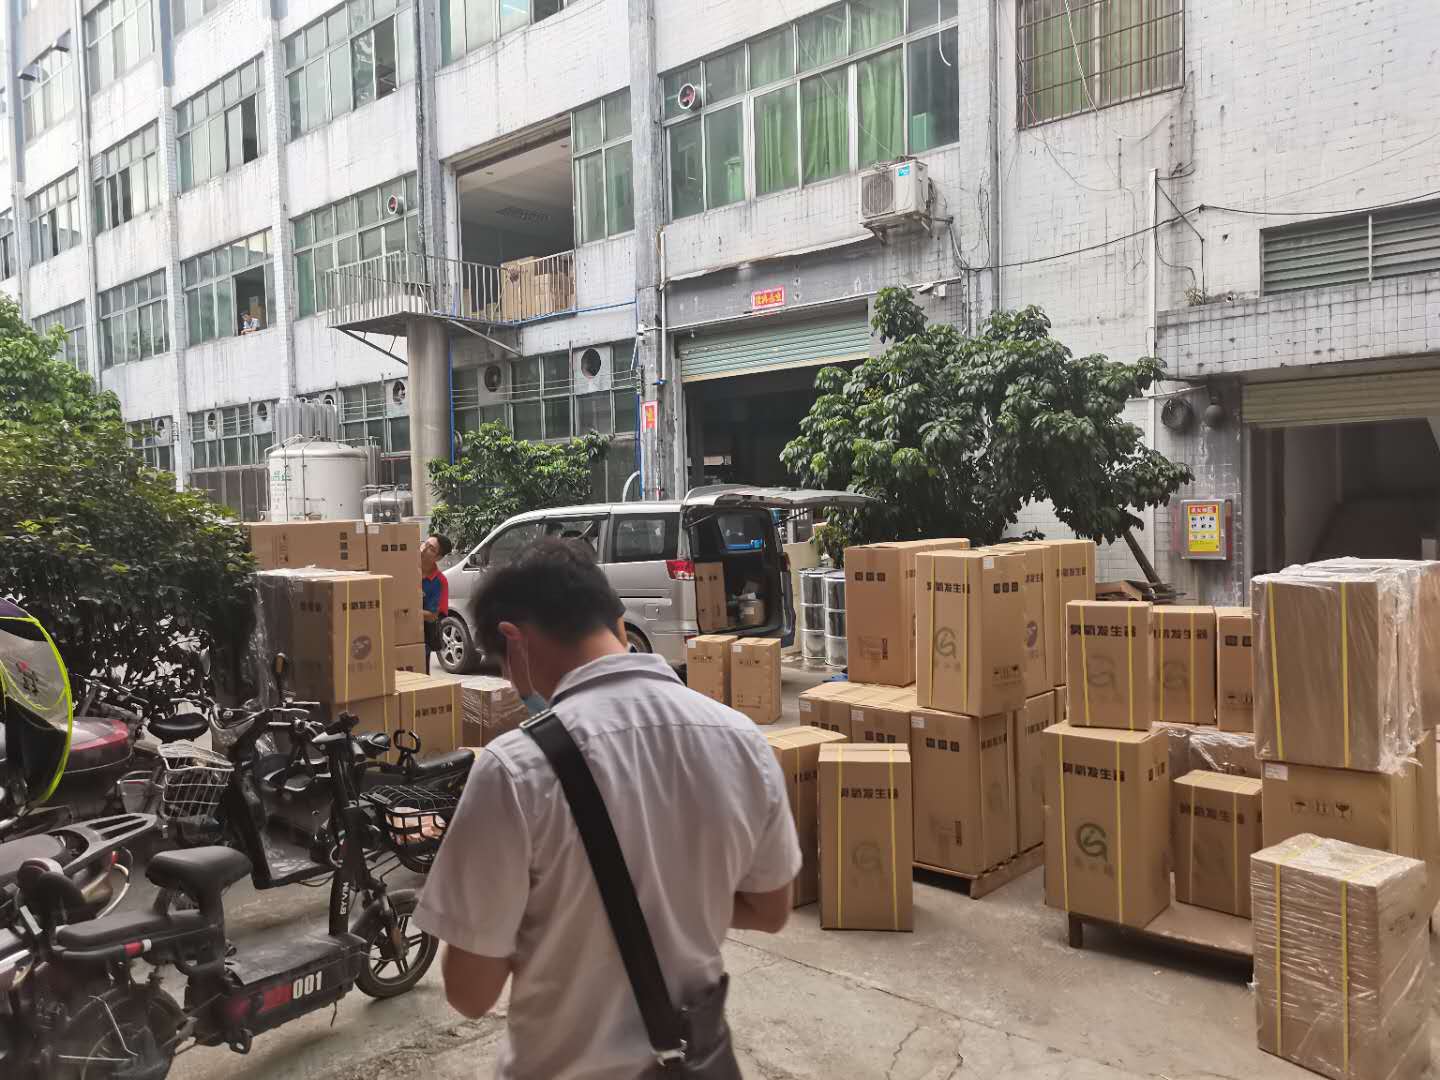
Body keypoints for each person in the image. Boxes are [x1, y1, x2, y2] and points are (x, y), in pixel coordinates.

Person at [413, 539, 800, 1079]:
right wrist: (679, 891)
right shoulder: (742, 739)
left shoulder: (514, 770)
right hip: (695, 1064)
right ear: (616, 622)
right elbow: (771, 909)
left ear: (513, 641)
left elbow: (470, 993)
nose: (511, 681)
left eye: (503, 666)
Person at [420, 533, 452, 673]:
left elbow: (433, 616)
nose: (423, 549)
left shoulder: (439, 581)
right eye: (424, 543)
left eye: (431, 548)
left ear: (438, 558)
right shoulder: (405, 568)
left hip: (421, 642)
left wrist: (408, 610)